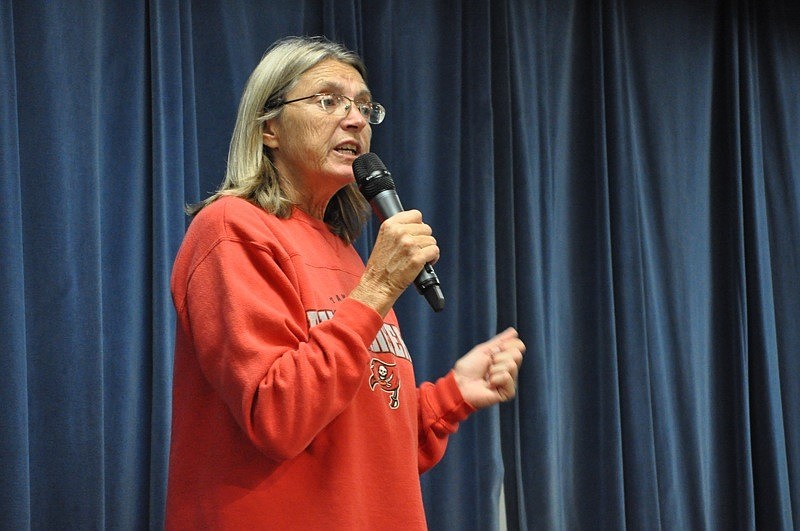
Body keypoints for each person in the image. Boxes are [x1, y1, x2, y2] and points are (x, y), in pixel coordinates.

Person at [166, 35, 525, 530]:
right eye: (328, 100)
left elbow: (366, 447)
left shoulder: (347, 254)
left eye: (363, 106)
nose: (355, 118)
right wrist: (377, 290)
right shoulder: (232, 228)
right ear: (269, 127)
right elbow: (279, 416)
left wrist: (454, 393)